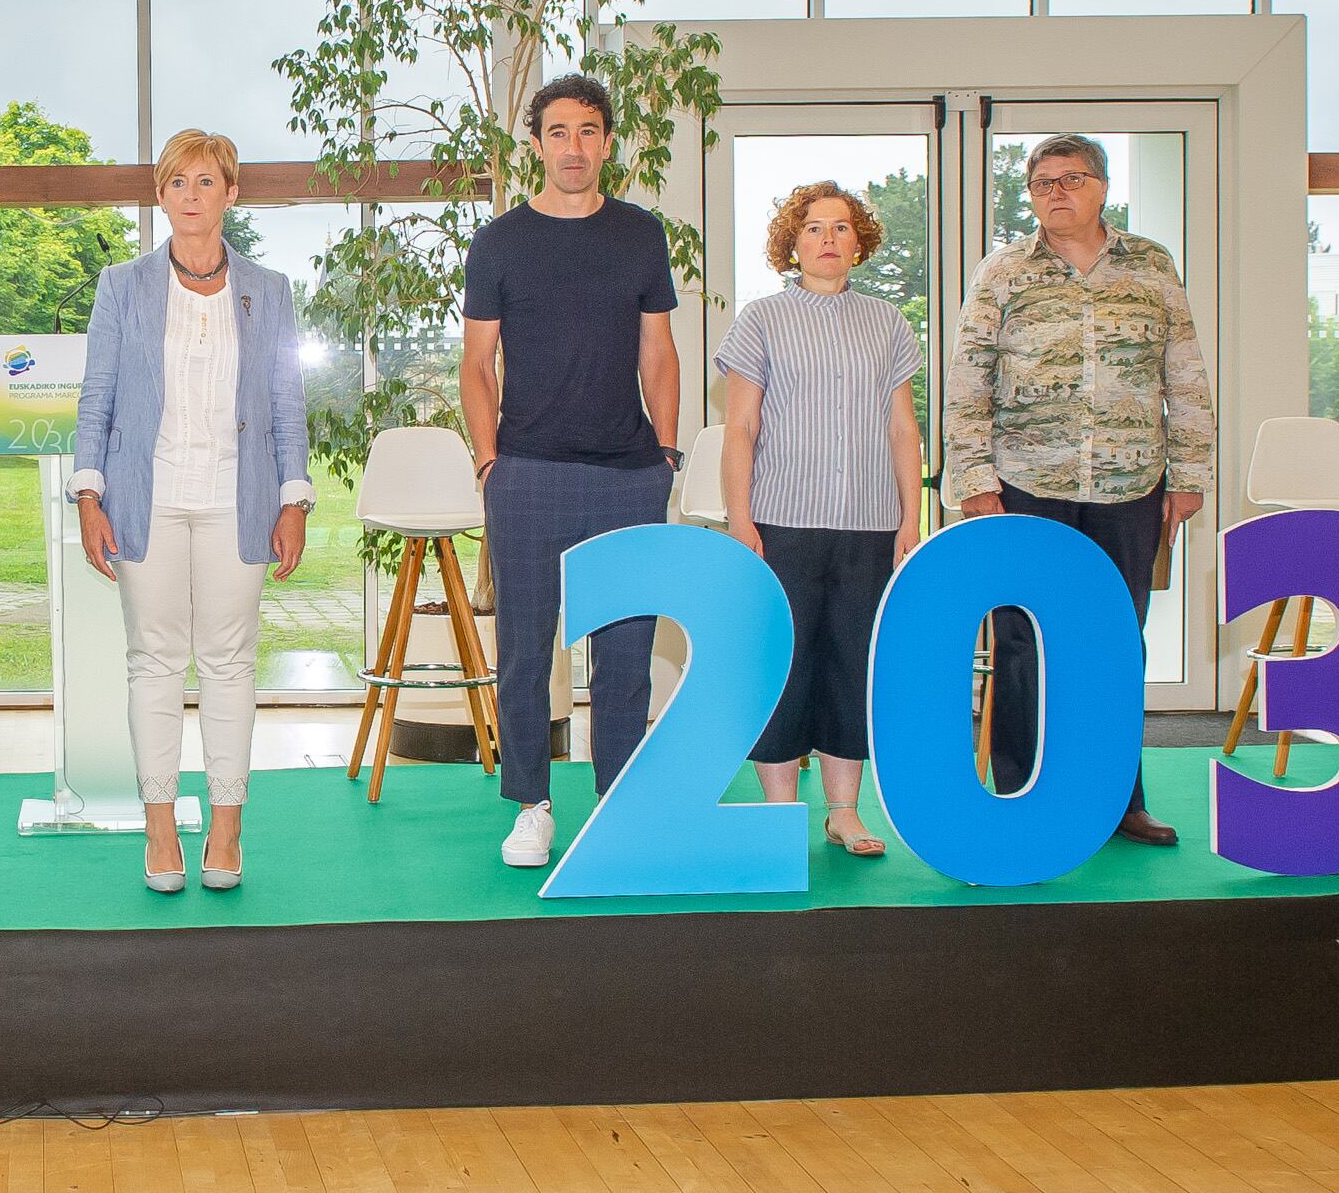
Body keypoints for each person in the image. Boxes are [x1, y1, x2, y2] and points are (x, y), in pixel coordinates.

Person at [944, 133, 1214, 849]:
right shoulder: (1003, 272)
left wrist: (1190, 475)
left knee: (1115, 641)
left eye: (1071, 179)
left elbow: (1184, 371)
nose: (1056, 192)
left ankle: (1119, 799)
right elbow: (968, 380)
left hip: (1130, 484)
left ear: (1102, 187)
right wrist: (974, 481)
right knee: (1021, 641)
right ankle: (1020, 795)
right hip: (1025, 485)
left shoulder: (1151, 264)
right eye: (1042, 182)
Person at [68, 130, 312, 894]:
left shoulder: (269, 289)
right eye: (178, 182)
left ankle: (227, 825)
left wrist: (294, 499)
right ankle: (161, 826)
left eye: (206, 181)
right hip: (148, 500)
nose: (192, 195)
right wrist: (88, 494)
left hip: (239, 499)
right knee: (154, 661)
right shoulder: (121, 285)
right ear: (161, 194)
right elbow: (98, 397)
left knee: (231, 661)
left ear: (231, 193)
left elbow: (286, 401)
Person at [460, 72, 684, 871]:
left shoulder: (641, 235)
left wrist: (666, 454)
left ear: (608, 142)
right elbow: (477, 363)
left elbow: (659, 351)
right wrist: (490, 460)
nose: (574, 146)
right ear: (536, 143)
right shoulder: (499, 243)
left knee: (625, 655)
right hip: (526, 469)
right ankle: (532, 804)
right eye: (558, 131)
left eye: (588, 131)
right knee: (526, 651)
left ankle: (619, 801)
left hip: (629, 472)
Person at [714, 181, 924, 862]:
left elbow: (903, 428)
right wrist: (741, 519)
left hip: (869, 523)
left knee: (850, 666)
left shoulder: (888, 323)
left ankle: (843, 812)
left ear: (859, 242)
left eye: (840, 227)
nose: (827, 238)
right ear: (792, 243)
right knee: (783, 664)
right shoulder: (761, 319)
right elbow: (741, 429)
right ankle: (780, 810)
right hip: (781, 522)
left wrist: (910, 518)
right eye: (813, 228)